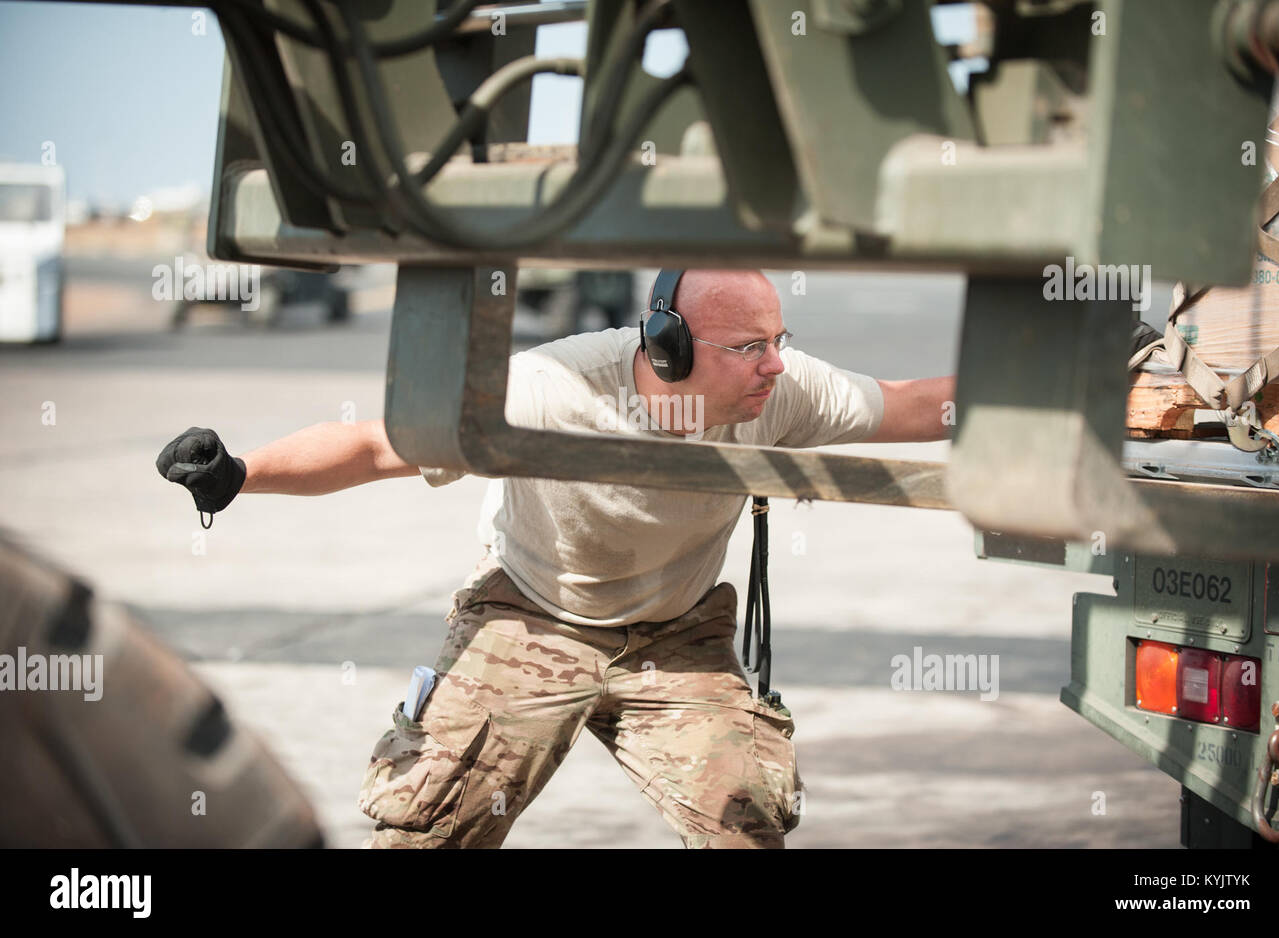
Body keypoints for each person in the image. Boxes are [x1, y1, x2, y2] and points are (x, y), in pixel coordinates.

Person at [156, 269, 956, 848]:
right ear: (669, 347)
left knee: (744, 823)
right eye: (750, 347)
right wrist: (239, 474)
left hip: (673, 638)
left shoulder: (781, 391)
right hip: (533, 618)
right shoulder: (551, 389)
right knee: (428, 830)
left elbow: (916, 405)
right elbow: (375, 445)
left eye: (779, 341)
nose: (774, 364)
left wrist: (1054, 384)